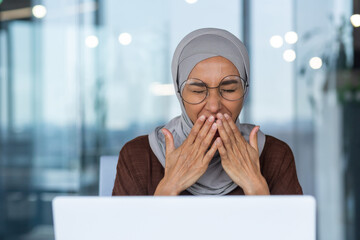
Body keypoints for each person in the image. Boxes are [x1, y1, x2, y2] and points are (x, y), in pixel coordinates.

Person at [112, 28, 303, 196]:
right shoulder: (138, 156)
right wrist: (169, 187)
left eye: (229, 90)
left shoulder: (275, 155)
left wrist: (256, 187)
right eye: (197, 91)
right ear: (179, 92)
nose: (213, 106)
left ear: (245, 91)